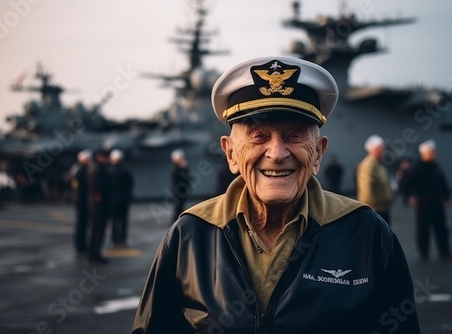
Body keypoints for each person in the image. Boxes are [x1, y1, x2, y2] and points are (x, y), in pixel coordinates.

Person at [132, 56, 420, 333]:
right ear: (231, 154)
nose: (277, 153)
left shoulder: (369, 236)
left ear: (318, 153)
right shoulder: (187, 236)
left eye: (295, 135)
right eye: (258, 136)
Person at [405, 139, 452, 262]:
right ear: (424, 153)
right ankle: (424, 253)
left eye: (434, 151)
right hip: (423, 204)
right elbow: (407, 185)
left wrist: (446, 197)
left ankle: (445, 252)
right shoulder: (416, 169)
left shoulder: (436, 167)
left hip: (437, 203)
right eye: (431, 151)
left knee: (441, 228)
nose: (434, 153)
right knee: (423, 229)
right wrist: (410, 197)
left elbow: (443, 183)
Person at [356, 134, 394, 225]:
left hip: (382, 208)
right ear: (375, 149)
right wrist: (371, 209)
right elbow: (366, 190)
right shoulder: (368, 166)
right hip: (376, 210)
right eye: (382, 147)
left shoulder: (377, 164)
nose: (384, 150)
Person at [87, 149, 111, 264]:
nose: (106, 158)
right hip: (100, 204)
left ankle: (93, 253)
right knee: (99, 230)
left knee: (95, 229)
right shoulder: (99, 170)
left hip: (96, 203)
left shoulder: (93, 168)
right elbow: (100, 187)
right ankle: (96, 254)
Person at [109, 149, 134, 248]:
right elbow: (131, 184)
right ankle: (123, 239)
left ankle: (115, 239)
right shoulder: (127, 171)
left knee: (115, 221)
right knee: (123, 221)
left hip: (113, 200)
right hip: (125, 199)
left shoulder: (110, 171)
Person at [71, 149, 92, 256]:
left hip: (82, 200)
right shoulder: (80, 170)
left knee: (83, 225)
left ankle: (82, 245)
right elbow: (77, 186)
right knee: (81, 225)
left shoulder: (79, 169)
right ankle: (80, 246)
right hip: (81, 201)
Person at [169, 148, 191, 225]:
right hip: (179, 192)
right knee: (178, 209)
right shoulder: (176, 169)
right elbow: (184, 178)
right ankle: (175, 224)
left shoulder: (177, 169)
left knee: (179, 209)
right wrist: (185, 168)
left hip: (181, 191)